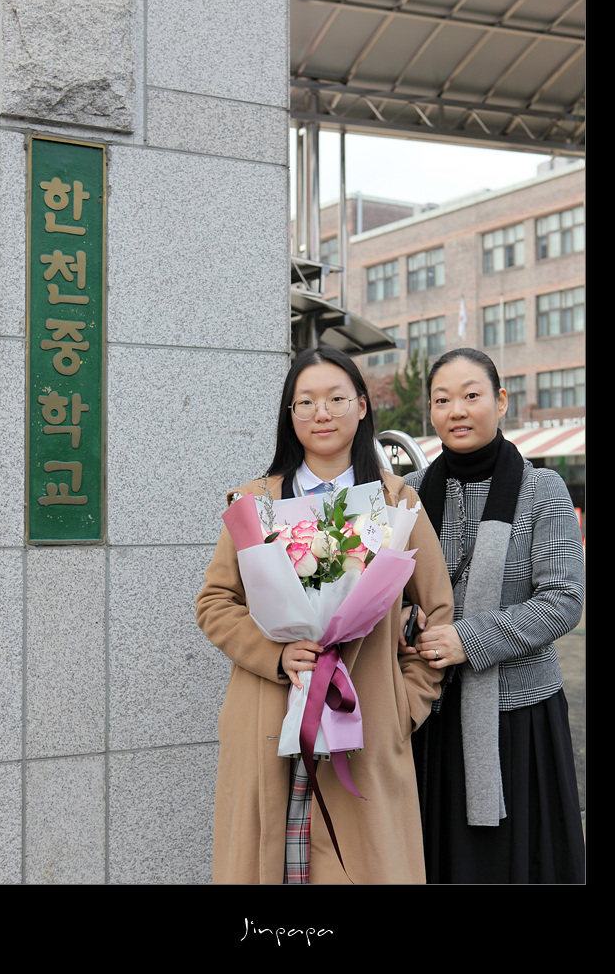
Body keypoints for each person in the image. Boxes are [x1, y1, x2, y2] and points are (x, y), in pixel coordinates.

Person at [196, 344, 454, 884]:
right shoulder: (255, 502)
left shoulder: (397, 503)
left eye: (336, 398)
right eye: (305, 402)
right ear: (290, 414)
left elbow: (436, 614)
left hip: (365, 726)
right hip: (268, 721)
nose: (322, 413)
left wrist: (403, 707)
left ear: (361, 405)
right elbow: (215, 602)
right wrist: (275, 654)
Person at [401, 347, 585, 884]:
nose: (456, 410)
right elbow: (385, 593)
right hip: (426, 710)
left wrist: (469, 639)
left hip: (516, 718)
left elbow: (564, 599)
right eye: (442, 400)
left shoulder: (541, 489)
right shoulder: (408, 495)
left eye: (471, 395)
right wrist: (405, 622)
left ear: (500, 401)